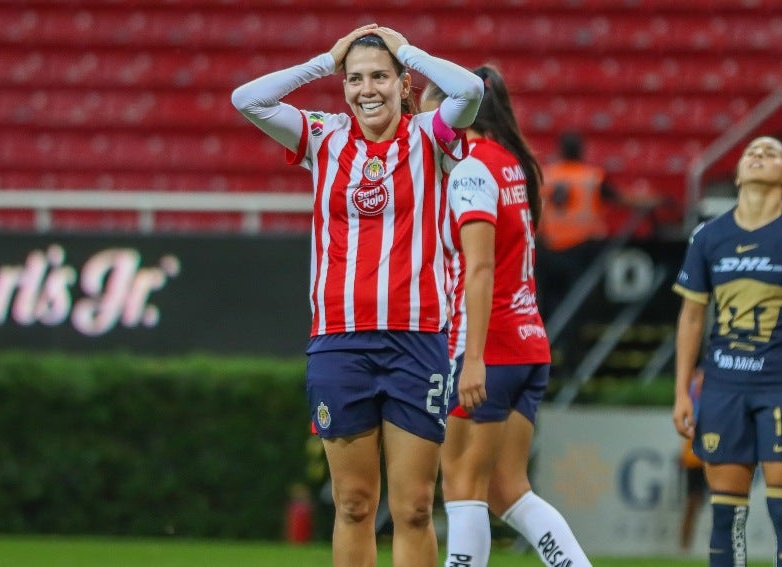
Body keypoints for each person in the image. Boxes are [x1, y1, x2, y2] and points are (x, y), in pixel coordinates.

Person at [232, 24, 483, 567]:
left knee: (414, 507)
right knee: (353, 503)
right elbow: (247, 99)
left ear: (403, 83)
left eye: (379, 77)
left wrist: (405, 48)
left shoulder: (431, 136)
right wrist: (327, 60)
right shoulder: (324, 137)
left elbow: (470, 91)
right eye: (355, 80)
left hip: (417, 342)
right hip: (338, 343)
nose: (367, 90)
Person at [421, 66, 591, 567]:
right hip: (527, 341)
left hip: (488, 345)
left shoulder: (470, 167)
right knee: (507, 490)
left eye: (431, 108)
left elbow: (479, 268)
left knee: (461, 484)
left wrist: (471, 357)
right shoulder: (513, 164)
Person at [672, 135, 782, 567]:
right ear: (737, 175)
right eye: (751, 152)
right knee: (725, 515)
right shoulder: (708, 236)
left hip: (777, 385)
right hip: (723, 387)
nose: (758, 155)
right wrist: (683, 391)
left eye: (771, 152)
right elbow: (692, 317)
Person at [535, 130, 658, 324]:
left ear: (560, 150)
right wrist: (653, 200)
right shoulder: (591, 177)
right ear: (581, 151)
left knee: (546, 303)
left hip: (547, 249)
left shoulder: (546, 174)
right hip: (579, 248)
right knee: (576, 305)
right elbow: (620, 198)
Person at [679, 367, 707, 552]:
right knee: (693, 502)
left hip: (700, 450)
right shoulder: (699, 379)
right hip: (696, 452)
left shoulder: (696, 378)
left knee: (694, 503)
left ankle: (685, 548)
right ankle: (684, 549)